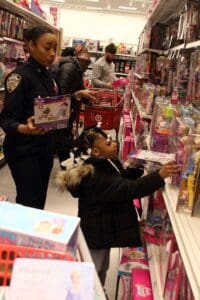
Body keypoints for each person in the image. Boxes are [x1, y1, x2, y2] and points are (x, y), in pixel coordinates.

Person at [55, 125, 181, 287]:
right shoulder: (96, 178)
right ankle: (89, 294)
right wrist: (159, 175)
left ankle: (97, 292)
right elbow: (129, 189)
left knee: (102, 267)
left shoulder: (103, 165)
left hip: (102, 231)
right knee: (93, 270)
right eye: (108, 143)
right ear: (96, 152)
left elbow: (121, 179)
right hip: (96, 236)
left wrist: (135, 166)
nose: (114, 144)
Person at [0, 26, 95, 209]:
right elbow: (6, 119)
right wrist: (24, 128)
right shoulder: (19, 77)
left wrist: (76, 96)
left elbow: (51, 106)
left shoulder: (48, 75)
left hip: (44, 147)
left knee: (38, 201)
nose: (52, 53)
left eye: (55, 48)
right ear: (31, 45)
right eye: (47, 47)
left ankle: (32, 235)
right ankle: (23, 236)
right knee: (30, 202)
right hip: (24, 150)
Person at [51, 46, 93, 167]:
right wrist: (78, 95)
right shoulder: (69, 68)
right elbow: (61, 94)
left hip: (67, 111)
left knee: (64, 140)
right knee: (63, 141)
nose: (87, 66)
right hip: (61, 112)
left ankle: (68, 168)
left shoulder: (76, 69)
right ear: (81, 60)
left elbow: (77, 87)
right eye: (87, 62)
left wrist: (86, 98)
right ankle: (67, 170)